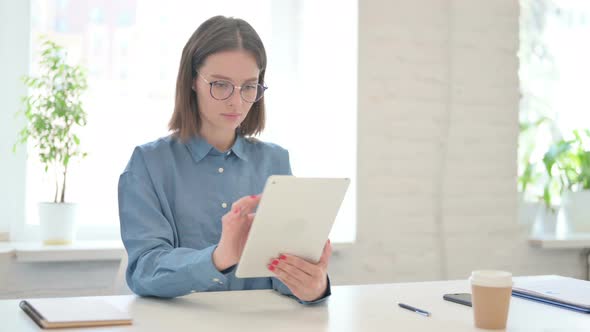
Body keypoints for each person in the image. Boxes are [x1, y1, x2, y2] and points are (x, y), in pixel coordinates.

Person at [118, 16, 331, 303]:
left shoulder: (276, 161)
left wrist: (312, 286)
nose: (236, 101)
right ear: (192, 80)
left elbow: (281, 272)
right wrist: (219, 258)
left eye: (248, 86)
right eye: (220, 85)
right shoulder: (148, 163)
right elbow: (144, 271)